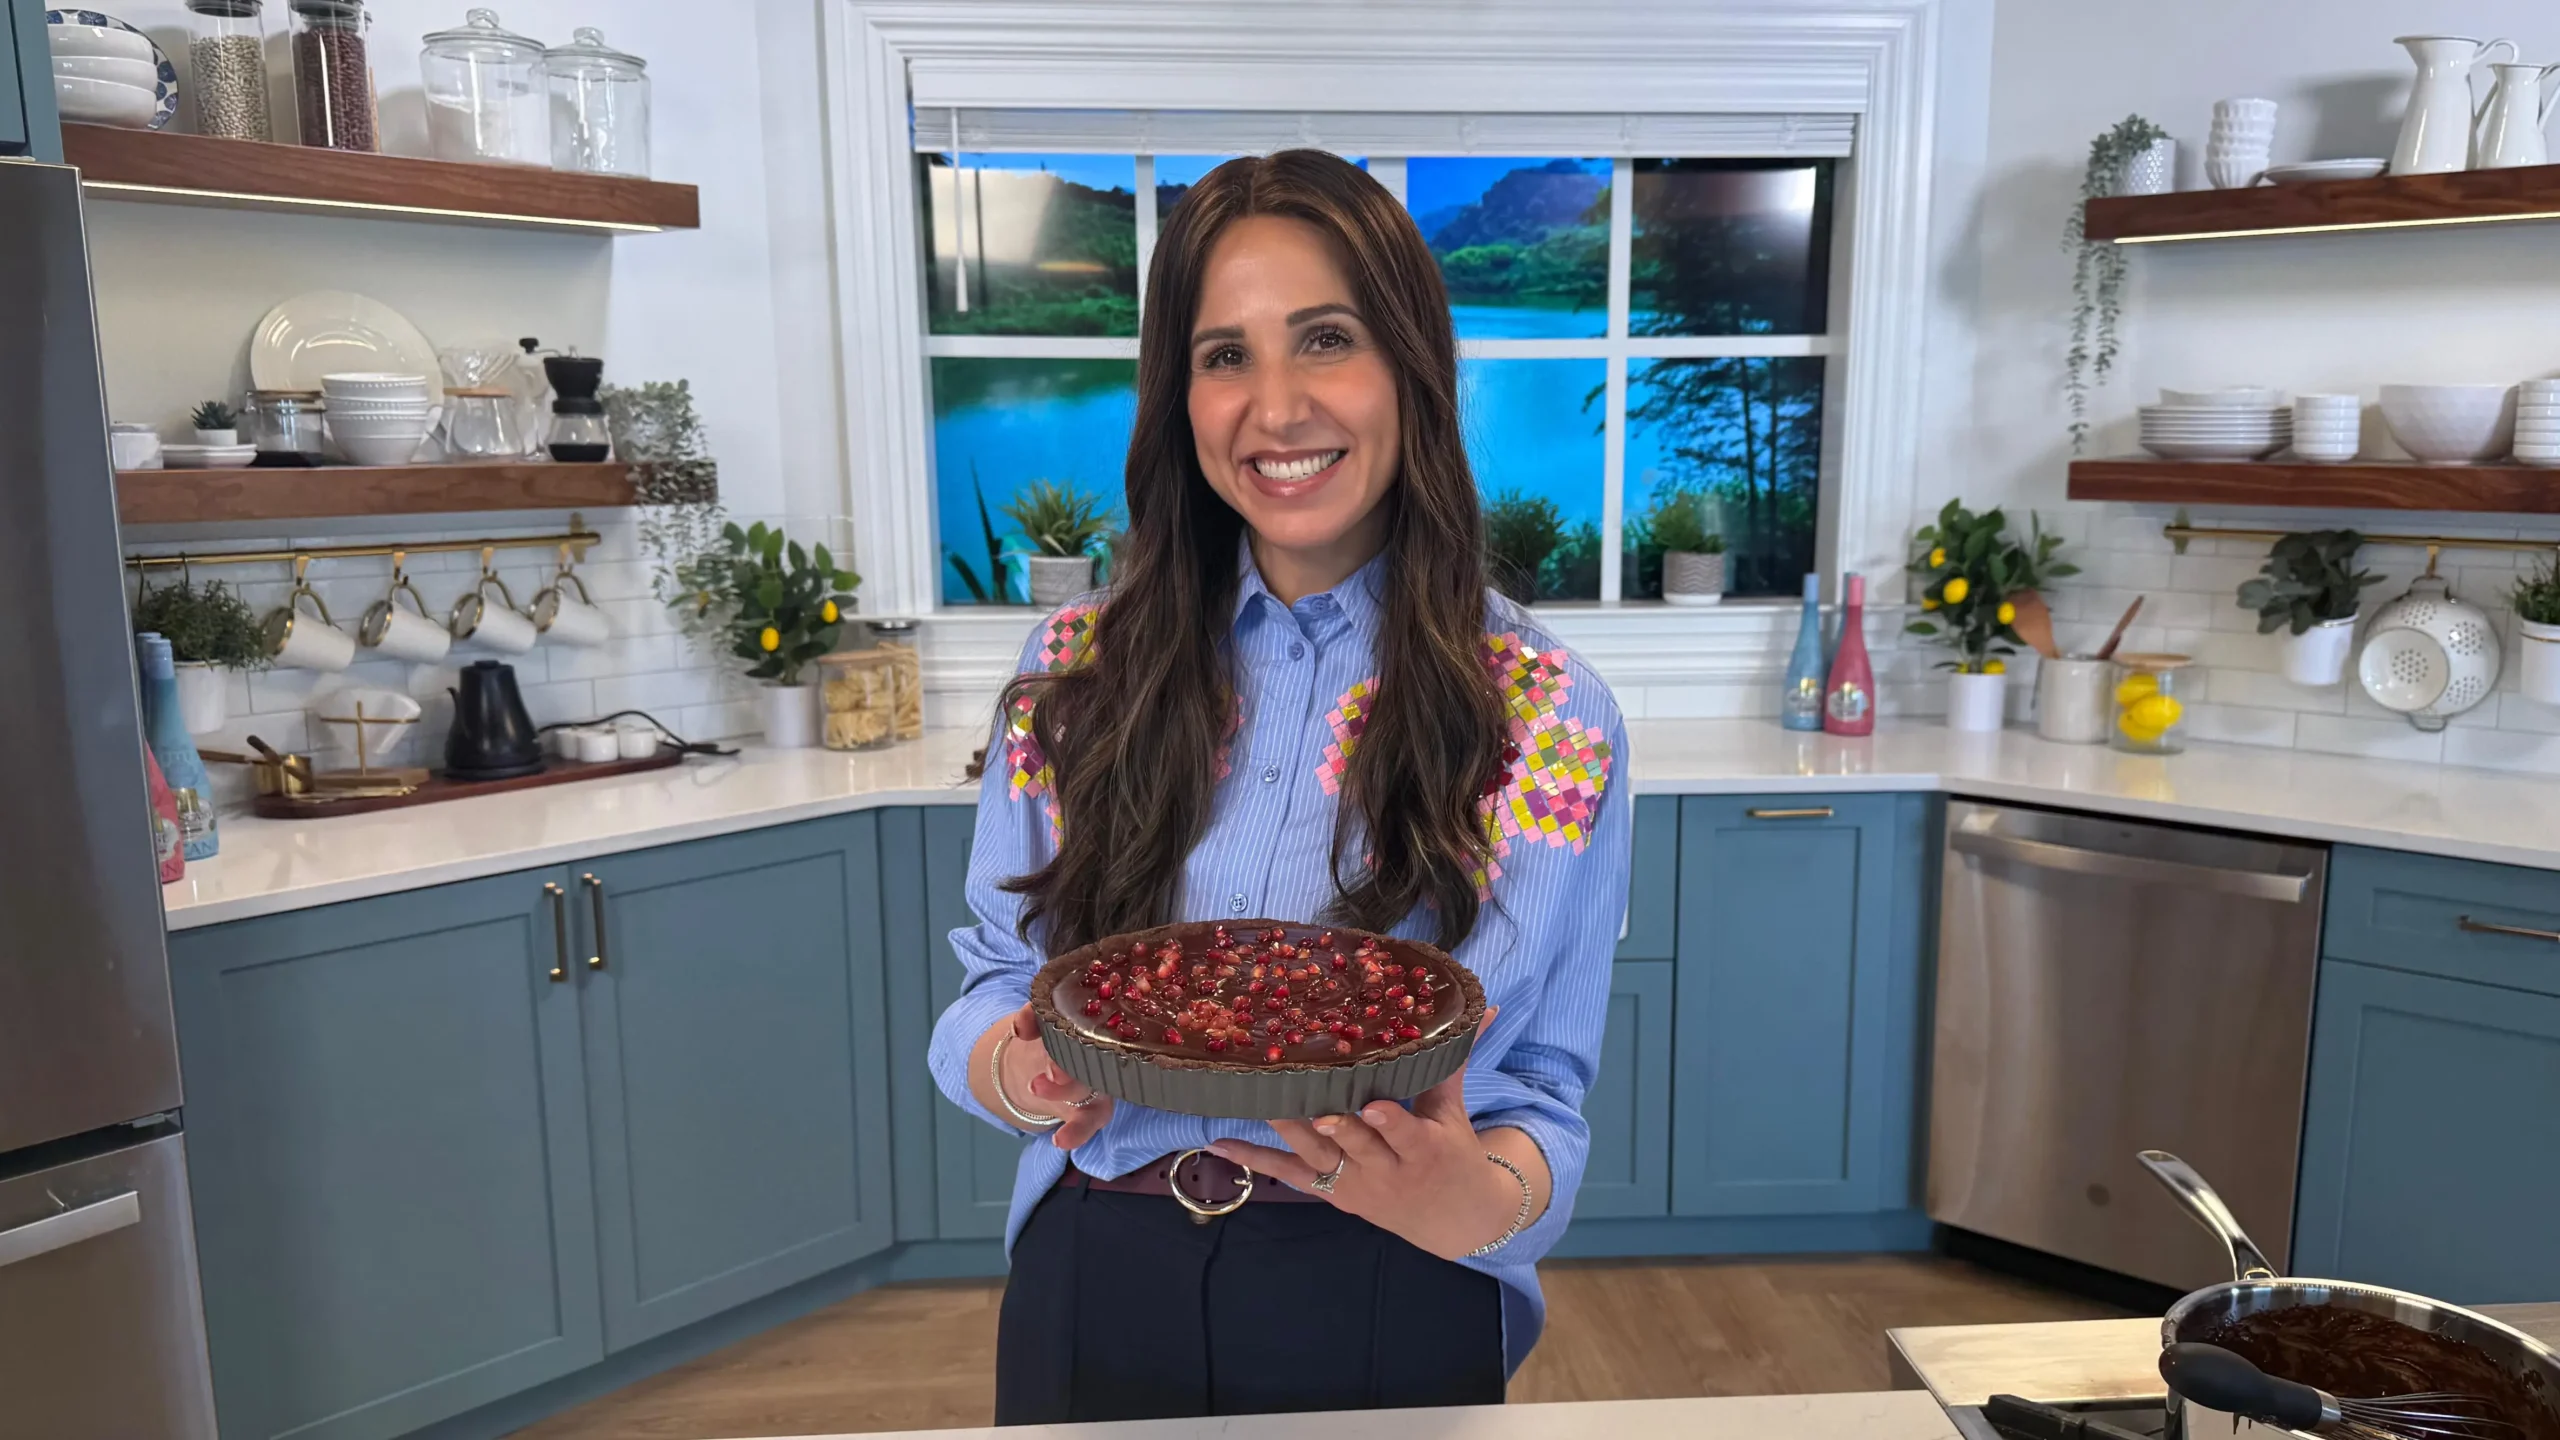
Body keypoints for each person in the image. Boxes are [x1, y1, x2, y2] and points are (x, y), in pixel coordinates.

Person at [927, 149, 1632, 1424]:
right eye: (1223, 355)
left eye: (1326, 339)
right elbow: (990, 981)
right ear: (1177, 396)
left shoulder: (1548, 714)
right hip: (1096, 1260)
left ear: (1412, 367)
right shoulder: (1075, 671)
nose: (1277, 407)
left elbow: (1539, 1090)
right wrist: (1023, 1072)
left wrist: (1479, 1205)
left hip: (1390, 1275)